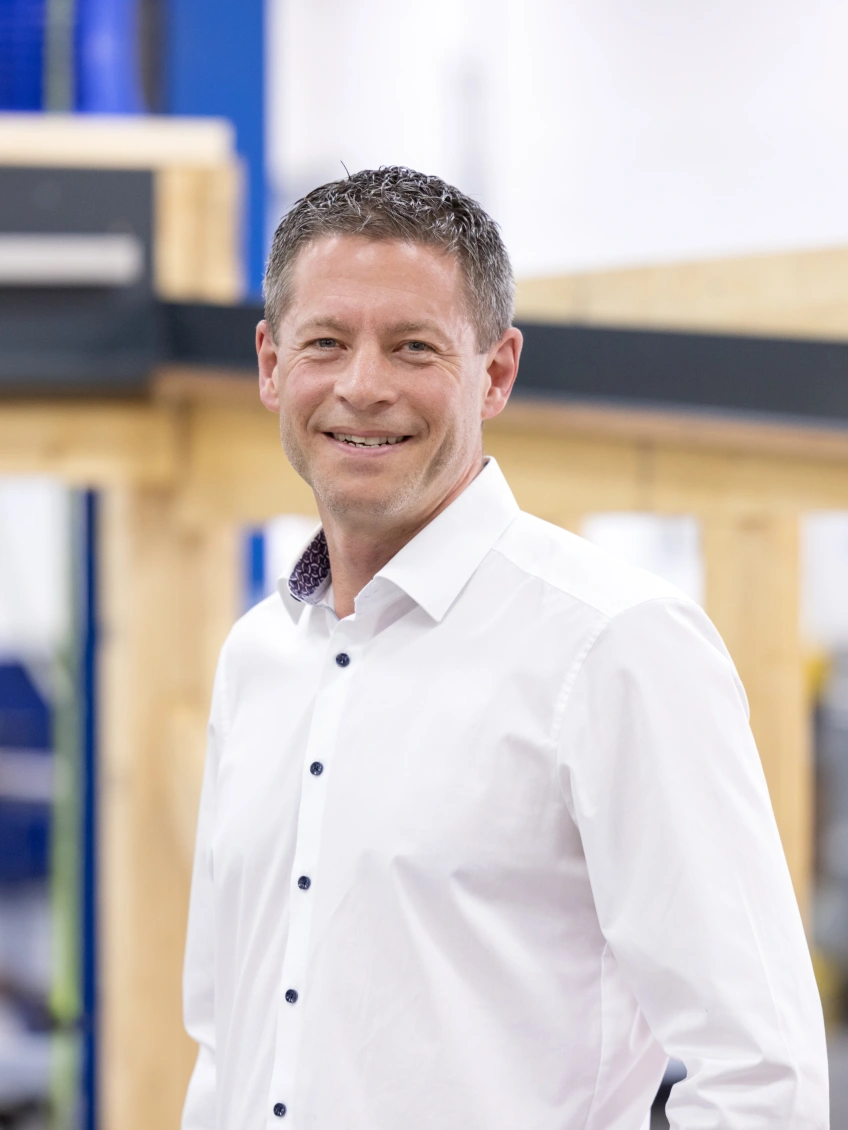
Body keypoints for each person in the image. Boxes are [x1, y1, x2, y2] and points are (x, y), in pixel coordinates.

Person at [181, 167, 828, 1130]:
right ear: (272, 363)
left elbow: (762, 1079)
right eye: (326, 342)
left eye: (413, 348)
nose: (363, 386)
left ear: (495, 370)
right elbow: (227, 1042)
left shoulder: (615, 646)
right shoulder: (260, 655)